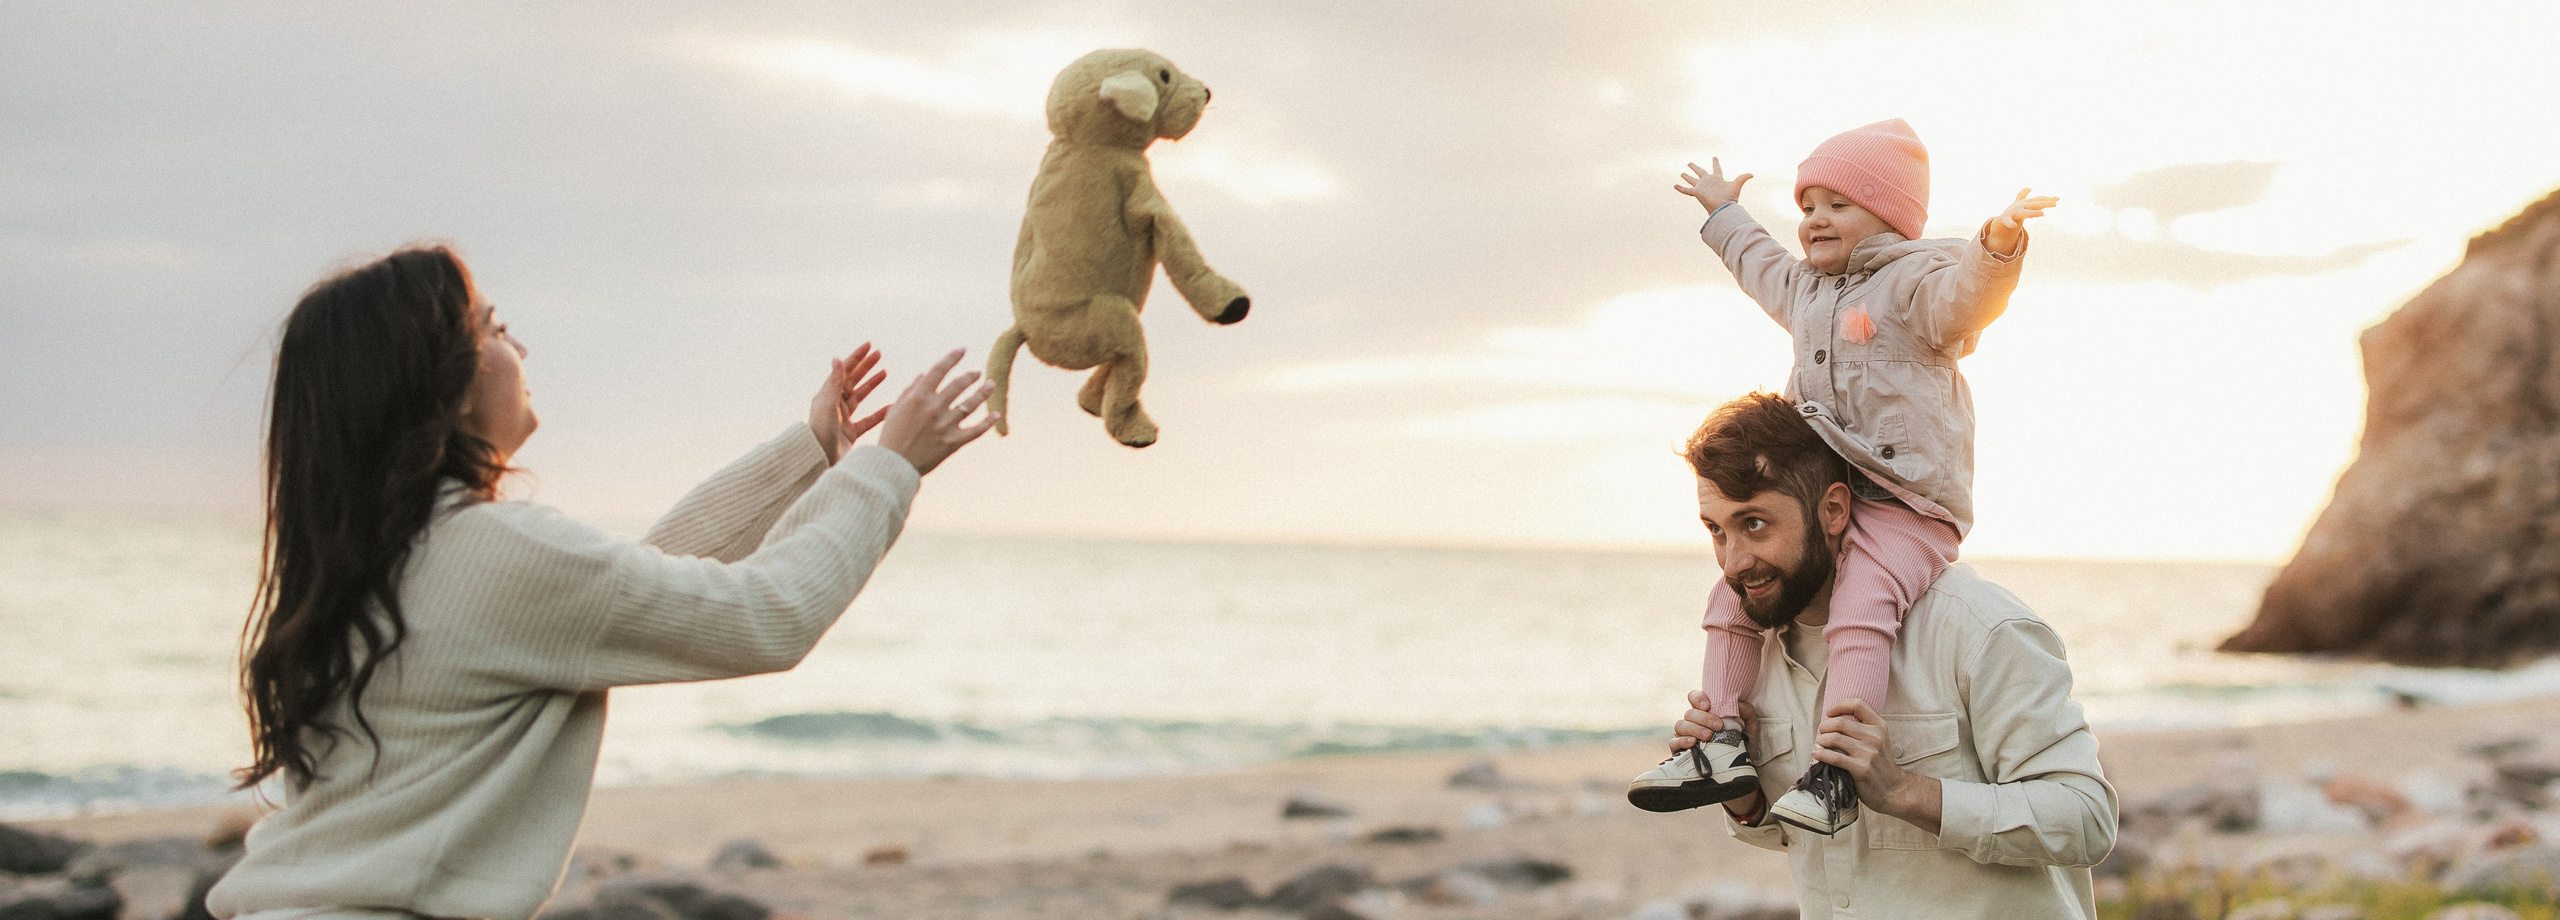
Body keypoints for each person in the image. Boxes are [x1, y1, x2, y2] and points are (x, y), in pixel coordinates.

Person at [206, 245, 994, 920]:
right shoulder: (486, 550)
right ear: (439, 386)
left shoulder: (376, 558)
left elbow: (622, 593)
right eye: (487, 326)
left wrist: (811, 453)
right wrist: (888, 467)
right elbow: (769, 615)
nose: (514, 338)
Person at [1627, 119, 2059, 834]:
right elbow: (1757, 261)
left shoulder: (1916, 284)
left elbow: (1968, 297)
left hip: (1910, 501)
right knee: (1731, 595)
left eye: (1838, 204)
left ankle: (1837, 770)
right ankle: (1724, 744)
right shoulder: (1805, 290)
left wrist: (1999, 244)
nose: (1815, 219)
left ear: (1887, 213)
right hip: (1832, 495)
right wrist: (1722, 211)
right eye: (1808, 205)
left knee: (1861, 599)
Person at [1668, 392, 2116, 918]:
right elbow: (1819, 843)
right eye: (1716, 530)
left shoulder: (1979, 627)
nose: (1733, 561)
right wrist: (1741, 796)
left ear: (1833, 509)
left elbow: (2088, 819)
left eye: (1755, 524)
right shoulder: (1754, 654)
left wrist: (1905, 791)